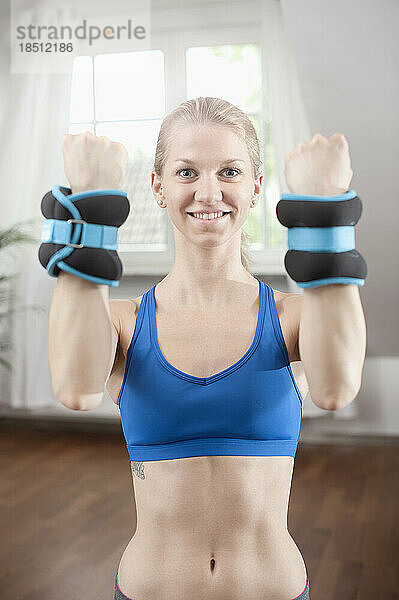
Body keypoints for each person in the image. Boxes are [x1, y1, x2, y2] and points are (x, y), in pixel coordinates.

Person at [49, 97, 363, 599]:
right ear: (158, 186)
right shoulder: (121, 322)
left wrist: (327, 207)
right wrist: (88, 204)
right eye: (187, 172)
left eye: (230, 172)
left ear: (256, 187)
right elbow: (74, 390)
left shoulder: (292, 317)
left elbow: (337, 388)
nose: (209, 191)